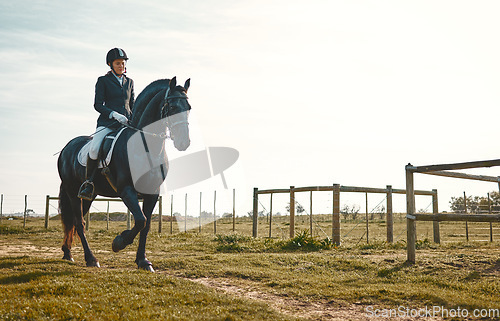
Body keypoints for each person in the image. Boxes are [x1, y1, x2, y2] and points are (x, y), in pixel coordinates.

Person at [78, 48, 135, 200]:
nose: (121, 66)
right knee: (95, 148)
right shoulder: (103, 81)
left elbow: (132, 104)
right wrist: (114, 114)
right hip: (107, 123)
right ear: (110, 64)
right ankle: (89, 183)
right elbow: (98, 105)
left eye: (123, 63)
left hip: (126, 124)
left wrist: (133, 118)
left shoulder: (129, 82)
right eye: (117, 63)